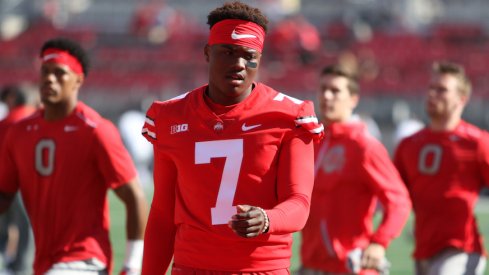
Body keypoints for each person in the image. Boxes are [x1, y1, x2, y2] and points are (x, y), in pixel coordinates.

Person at [141, 1, 324, 274]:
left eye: (248, 55)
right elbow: (162, 215)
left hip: (261, 268)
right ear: (207, 53)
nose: (238, 64)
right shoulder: (170, 117)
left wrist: (266, 219)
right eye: (227, 52)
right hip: (191, 267)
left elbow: (299, 203)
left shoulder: (289, 116)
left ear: (260, 59)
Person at [0, 38, 148, 275]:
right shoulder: (20, 132)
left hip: (85, 260)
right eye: (45, 72)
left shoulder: (95, 130)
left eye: (59, 73)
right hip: (44, 262)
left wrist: (132, 264)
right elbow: (4, 196)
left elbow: (134, 196)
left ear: (78, 80)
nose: (49, 78)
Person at [300, 64, 411, 274]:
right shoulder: (311, 142)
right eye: (322, 89)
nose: (327, 96)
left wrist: (380, 242)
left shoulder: (363, 146)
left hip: (350, 266)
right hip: (311, 265)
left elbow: (398, 200)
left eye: (335, 90)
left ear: (353, 99)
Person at [394, 61, 489, 275]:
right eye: (431, 88)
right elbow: (393, 193)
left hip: (461, 248)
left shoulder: (476, 142)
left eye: (442, 90)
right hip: (423, 249)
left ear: (461, 99)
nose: (432, 94)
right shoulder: (410, 144)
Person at [0, 84, 37, 275]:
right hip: (25, 182)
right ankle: (22, 268)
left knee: (4, 226)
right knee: (26, 227)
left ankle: (7, 264)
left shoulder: (5, 121)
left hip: (3, 181)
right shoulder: (35, 120)